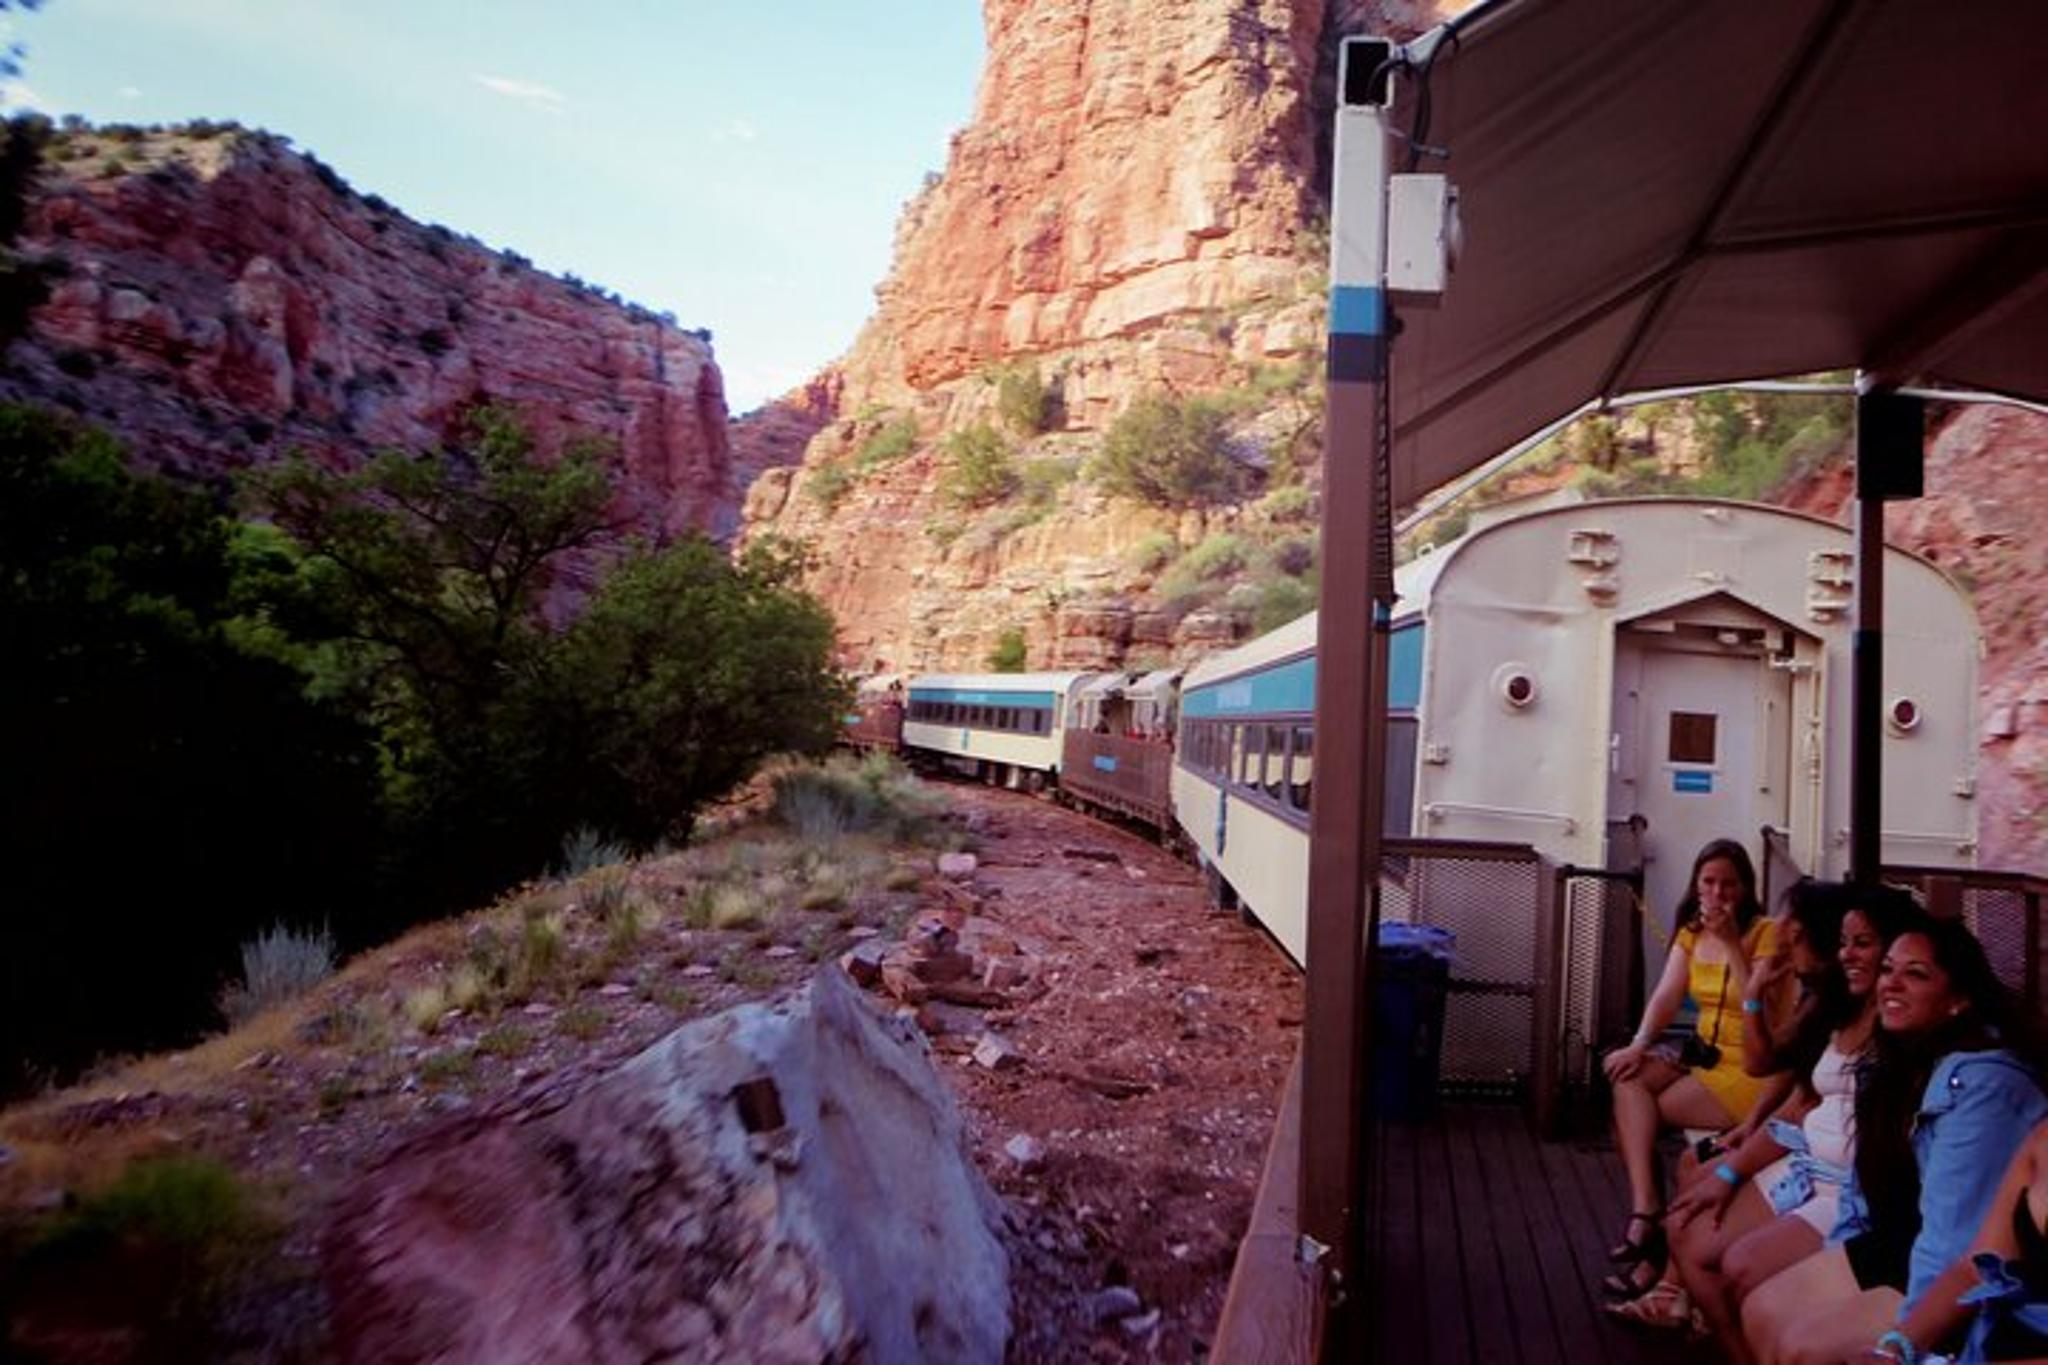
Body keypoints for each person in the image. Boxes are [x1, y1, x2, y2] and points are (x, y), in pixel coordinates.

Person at [1742, 915, 2048, 1364]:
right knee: (1761, 1311)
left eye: (1915, 974)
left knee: (1798, 1348)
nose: (1892, 984)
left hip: (1940, 1268)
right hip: (1899, 1238)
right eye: (1888, 969)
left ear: (1958, 999)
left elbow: (1954, 1245)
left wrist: (1911, 1340)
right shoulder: (1893, 1063)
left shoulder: (1983, 1087)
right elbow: (1865, 1187)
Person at [1630, 885, 1912, 1355]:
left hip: (1843, 1189)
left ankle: (1683, 1300)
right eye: (1846, 943)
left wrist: (1738, 1153)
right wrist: (1730, 1167)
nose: (1850, 955)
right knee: (1684, 1218)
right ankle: (1682, 1300)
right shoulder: (1834, 1007)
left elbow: (1771, 1075)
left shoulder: (1901, 1031)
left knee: (1734, 1260)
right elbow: (1794, 1094)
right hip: (1803, 1161)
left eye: (1865, 945)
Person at [1602, 838, 1783, 1300]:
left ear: (1745, 889)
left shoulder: (1765, 933)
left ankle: (1653, 1240)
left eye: (1728, 884)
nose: (1718, 893)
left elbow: (1756, 1005)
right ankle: (1646, 1210)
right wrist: (1639, 1045)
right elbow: (1665, 998)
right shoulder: (1690, 931)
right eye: (1709, 882)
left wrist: (1730, 944)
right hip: (1703, 1056)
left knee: (1640, 1119)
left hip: (1749, 1068)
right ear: (1695, 885)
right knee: (1628, 1082)